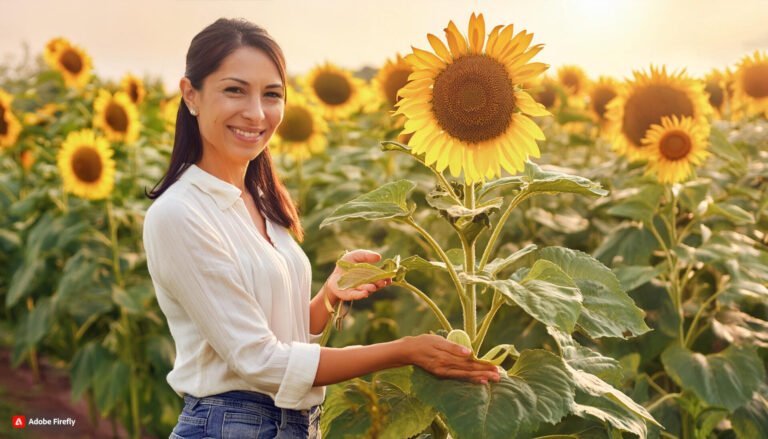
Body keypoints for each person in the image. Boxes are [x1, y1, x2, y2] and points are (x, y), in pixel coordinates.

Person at [143, 17, 500, 439]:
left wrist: (329, 295)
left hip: (291, 425)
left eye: (271, 95)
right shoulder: (179, 214)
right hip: (230, 425)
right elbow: (259, 360)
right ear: (191, 95)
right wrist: (404, 352)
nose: (257, 113)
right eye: (234, 90)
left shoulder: (258, 202)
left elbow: (281, 333)